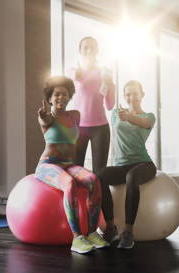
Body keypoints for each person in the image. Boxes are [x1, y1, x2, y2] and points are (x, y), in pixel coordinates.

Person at [35, 75, 109, 254]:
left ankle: (91, 233)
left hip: (68, 164)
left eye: (65, 94)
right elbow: (45, 121)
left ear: (70, 96)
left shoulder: (75, 115)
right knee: (69, 183)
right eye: (57, 95)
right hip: (48, 165)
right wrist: (44, 117)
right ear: (50, 98)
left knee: (93, 179)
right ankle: (77, 238)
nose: (61, 98)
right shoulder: (47, 117)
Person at [97, 80, 156, 249]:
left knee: (132, 177)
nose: (132, 97)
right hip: (122, 165)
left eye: (135, 93)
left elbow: (144, 124)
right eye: (128, 94)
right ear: (124, 96)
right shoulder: (116, 113)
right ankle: (110, 227)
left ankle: (128, 232)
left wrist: (129, 116)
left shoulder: (149, 116)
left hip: (143, 164)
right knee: (99, 176)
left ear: (142, 95)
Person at [68, 36, 115, 173]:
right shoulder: (72, 70)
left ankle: (99, 195)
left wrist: (110, 83)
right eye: (85, 47)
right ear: (80, 50)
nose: (89, 50)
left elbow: (110, 105)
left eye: (92, 47)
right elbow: (66, 92)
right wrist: (76, 75)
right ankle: (78, 195)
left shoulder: (105, 72)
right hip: (78, 128)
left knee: (100, 174)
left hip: (100, 128)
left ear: (97, 50)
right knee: (75, 171)